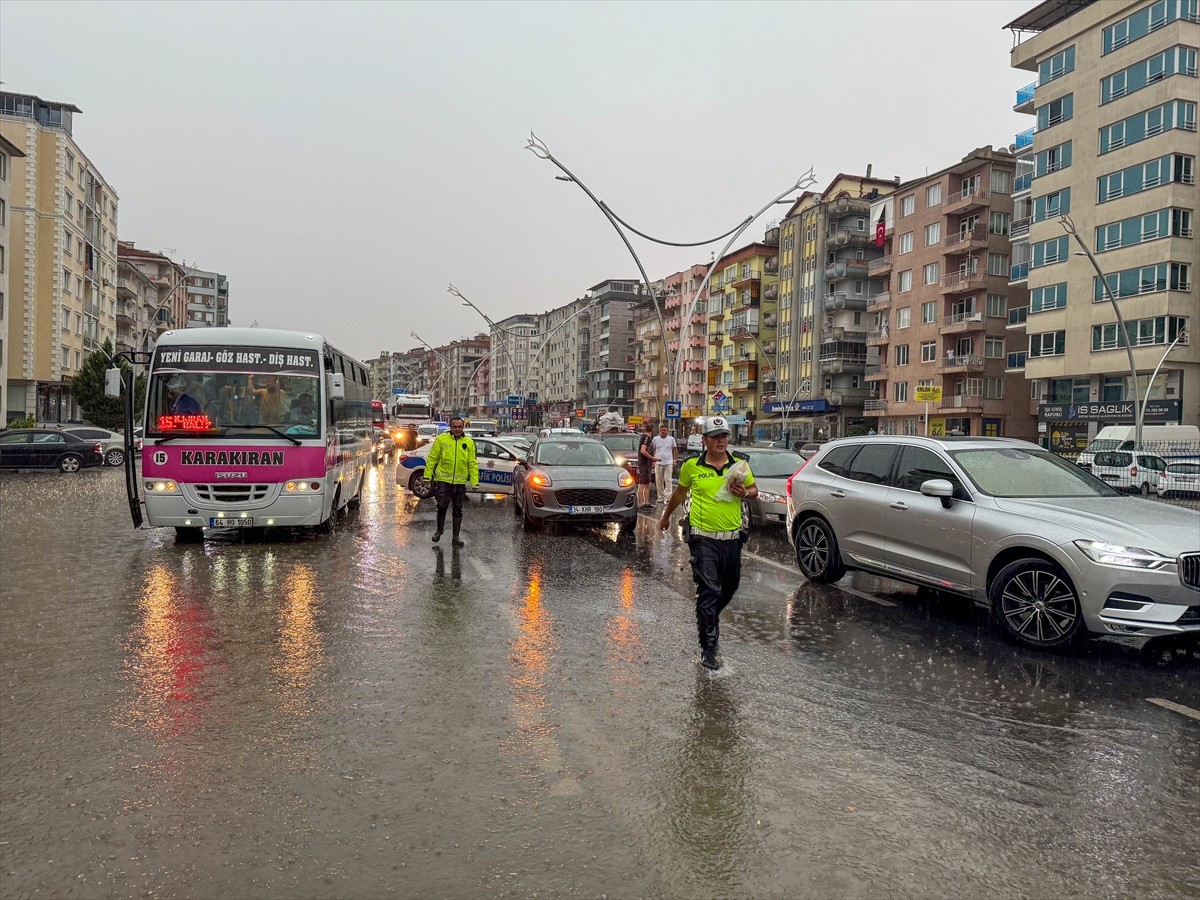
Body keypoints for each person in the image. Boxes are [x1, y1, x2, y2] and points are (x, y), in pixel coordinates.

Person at [659, 415, 758, 671]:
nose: (720, 441)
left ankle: (708, 615)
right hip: (703, 538)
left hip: (732, 539)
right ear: (705, 441)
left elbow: (754, 490)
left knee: (729, 587)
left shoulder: (739, 466)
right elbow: (680, 492)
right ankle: (709, 649)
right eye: (715, 437)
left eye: (724, 436)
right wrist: (666, 516)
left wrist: (745, 493)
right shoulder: (692, 466)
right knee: (710, 590)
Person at [426, 416, 479, 547]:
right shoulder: (441, 440)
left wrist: (474, 482)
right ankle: (439, 530)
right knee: (442, 506)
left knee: (458, 509)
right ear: (451, 427)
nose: (457, 429)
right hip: (443, 480)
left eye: (459, 427)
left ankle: (456, 537)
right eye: (454, 427)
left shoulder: (469, 442)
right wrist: (427, 477)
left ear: (463, 427)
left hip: (460, 483)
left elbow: (472, 463)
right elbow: (432, 458)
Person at [651, 423, 678, 503]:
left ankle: (668, 497)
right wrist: (652, 460)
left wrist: (675, 460)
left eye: (665, 430)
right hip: (658, 463)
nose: (663, 431)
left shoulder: (671, 439)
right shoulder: (655, 439)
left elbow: (675, 449)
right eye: (662, 430)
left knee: (668, 480)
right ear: (659, 431)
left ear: (668, 431)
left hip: (668, 463)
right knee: (659, 481)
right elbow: (652, 449)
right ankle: (661, 497)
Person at [637, 422, 656, 509]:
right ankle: (641, 503)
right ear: (653, 429)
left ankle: (646, 502)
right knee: (642, 484)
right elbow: (643, 450)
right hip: (644, 463)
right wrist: (651, 458)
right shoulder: (646, 438)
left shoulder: (648, 438)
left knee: (648, 483)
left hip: (647, 464)